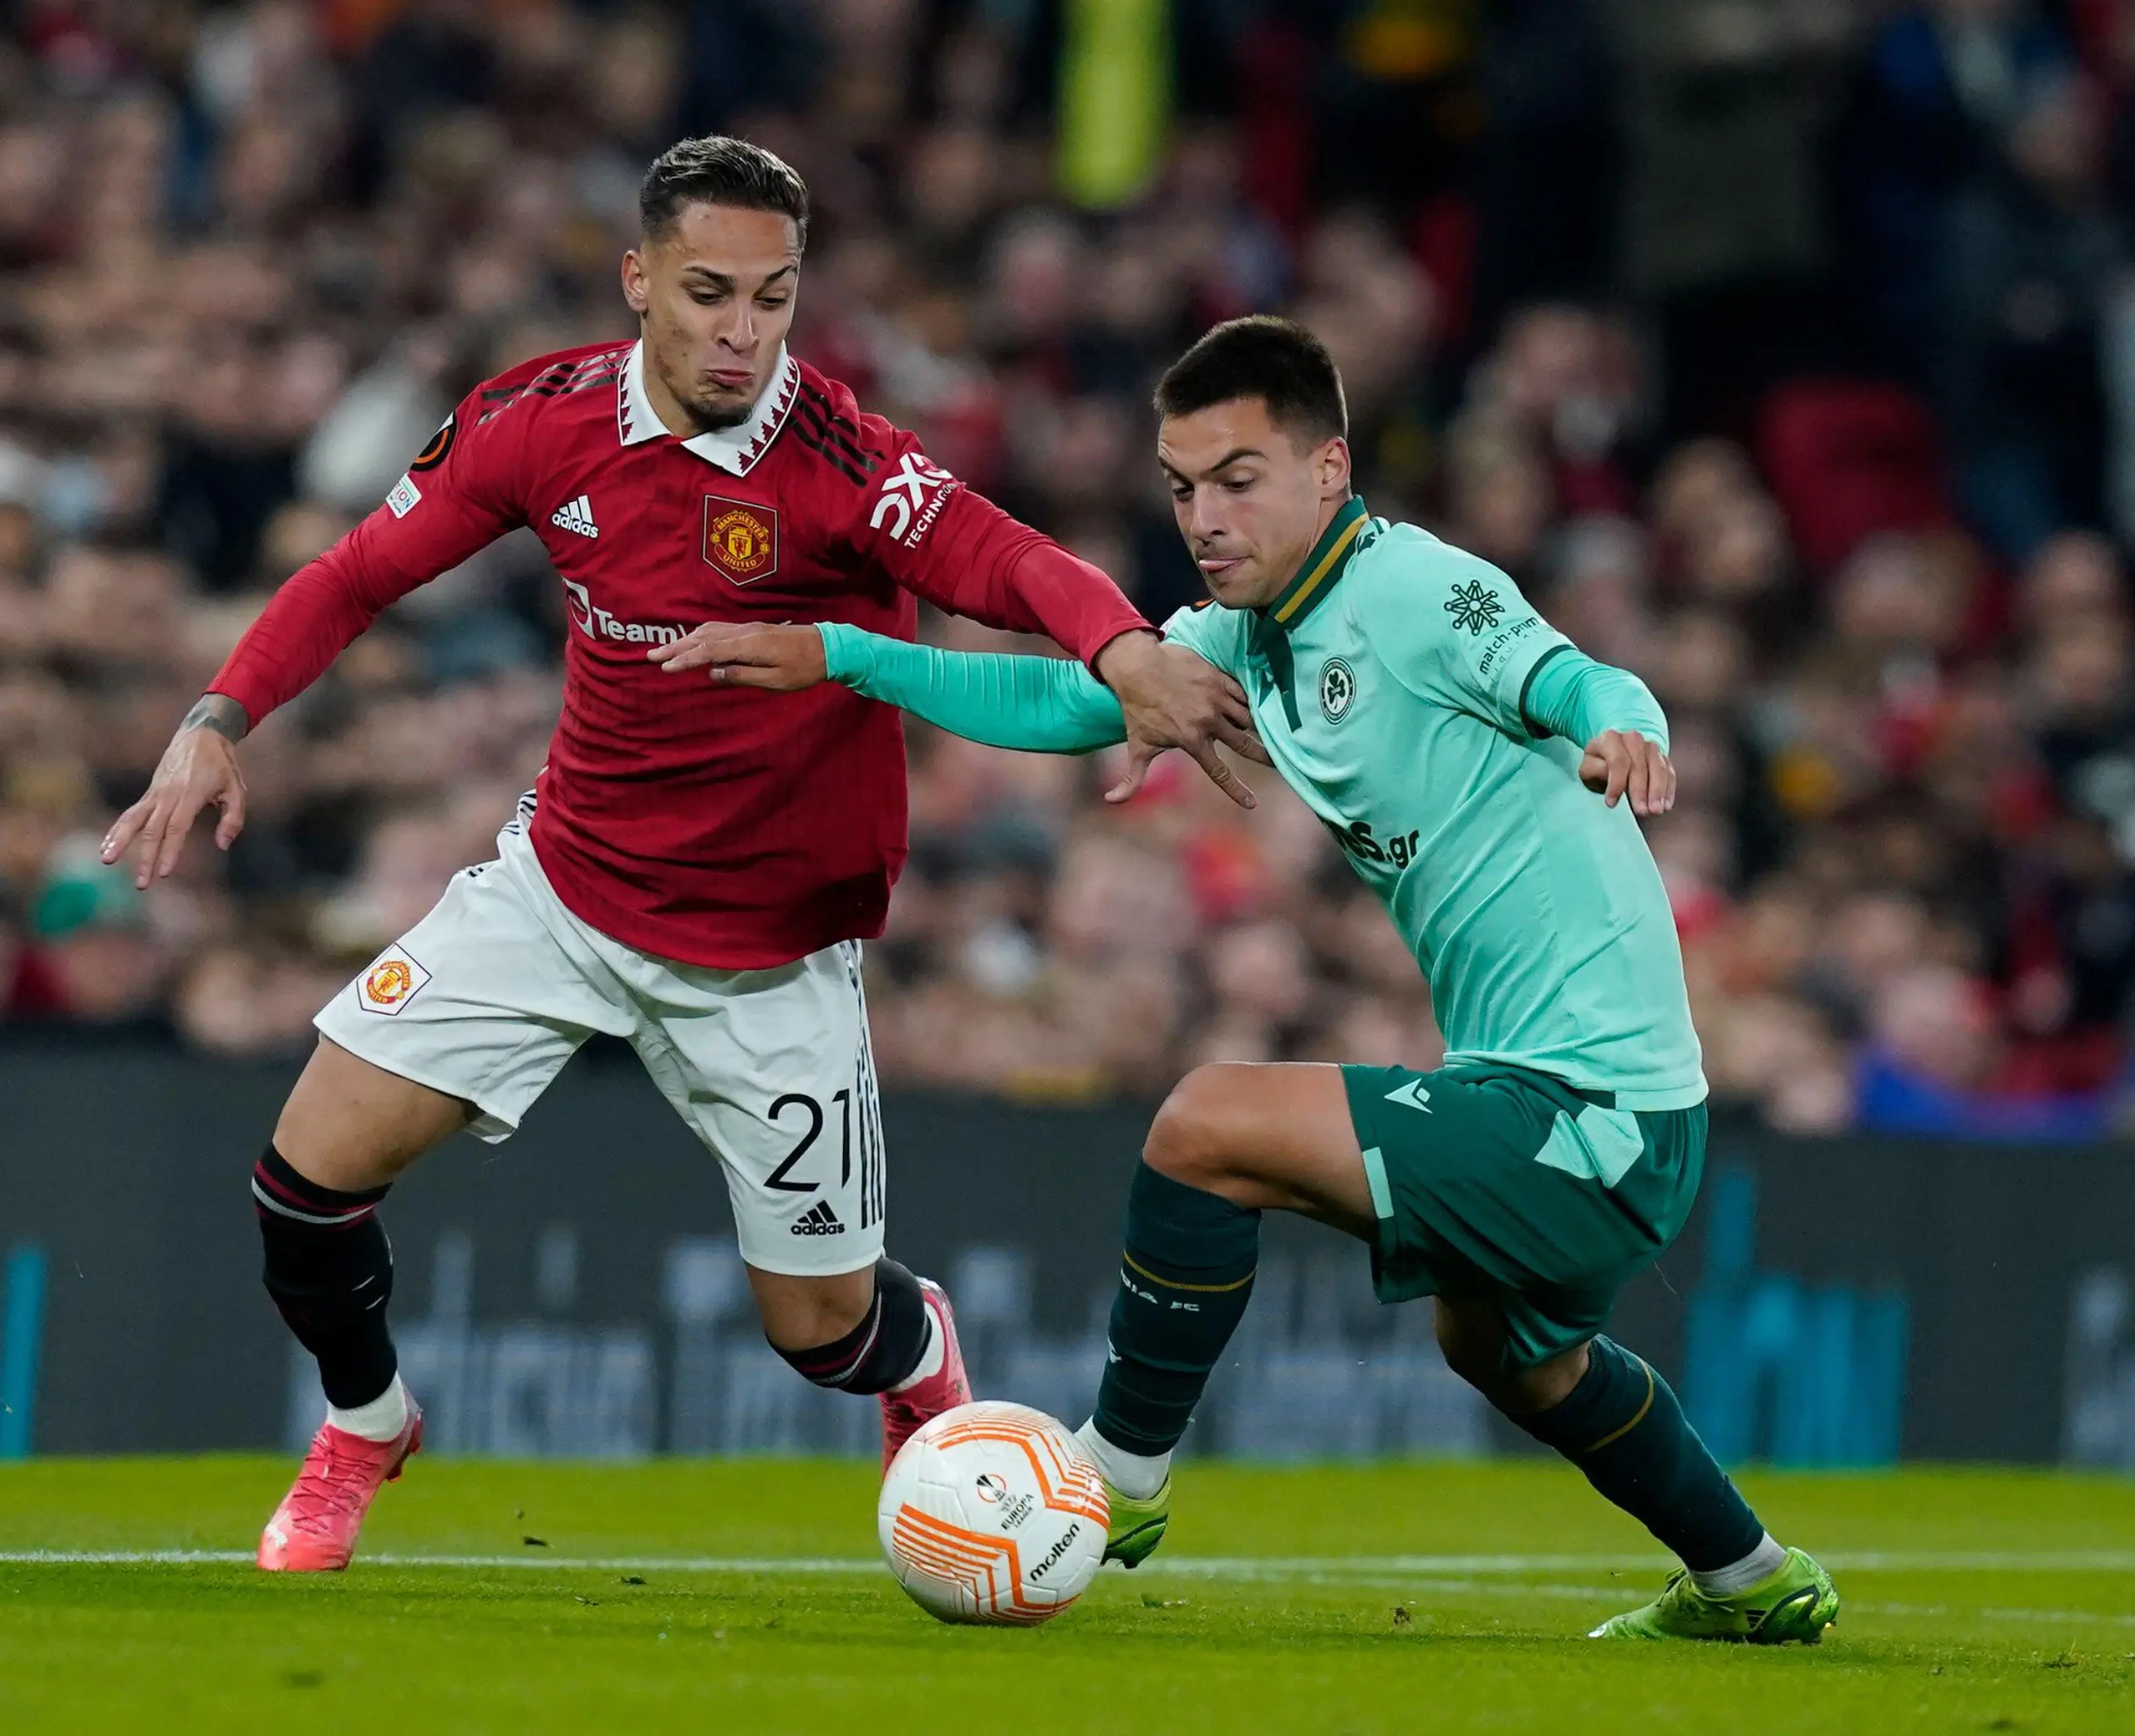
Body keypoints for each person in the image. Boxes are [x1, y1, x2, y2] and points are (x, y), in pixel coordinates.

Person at [99, 137, 1257, 1573]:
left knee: (820, 1330)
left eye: (773, 299)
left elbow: (1007, 557)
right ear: (638, 279)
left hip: (768, 955)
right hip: (564, 891)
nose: (742, 332)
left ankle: (921, 1349)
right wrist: (220, 717)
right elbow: (357, 573)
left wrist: (1126, 647)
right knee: (298, 1185)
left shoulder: (837, 458)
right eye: (709, 293)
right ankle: (365, 1426)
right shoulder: (540, 420)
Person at [654, 315, 1843, 1643]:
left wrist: (1625, 729)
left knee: (1205, 1123)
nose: (1202, 517)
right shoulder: (1241, 633)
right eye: (1179, 486)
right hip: (1538, 1087)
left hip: (1591, 1107)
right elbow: (1068, 707)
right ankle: (1748, 1577)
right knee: (1509, 1352)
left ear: (1328, 471)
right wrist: (841, 655)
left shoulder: (1408, 591)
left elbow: (1575, 675)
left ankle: (1119, 1474)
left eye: (1237, 479)